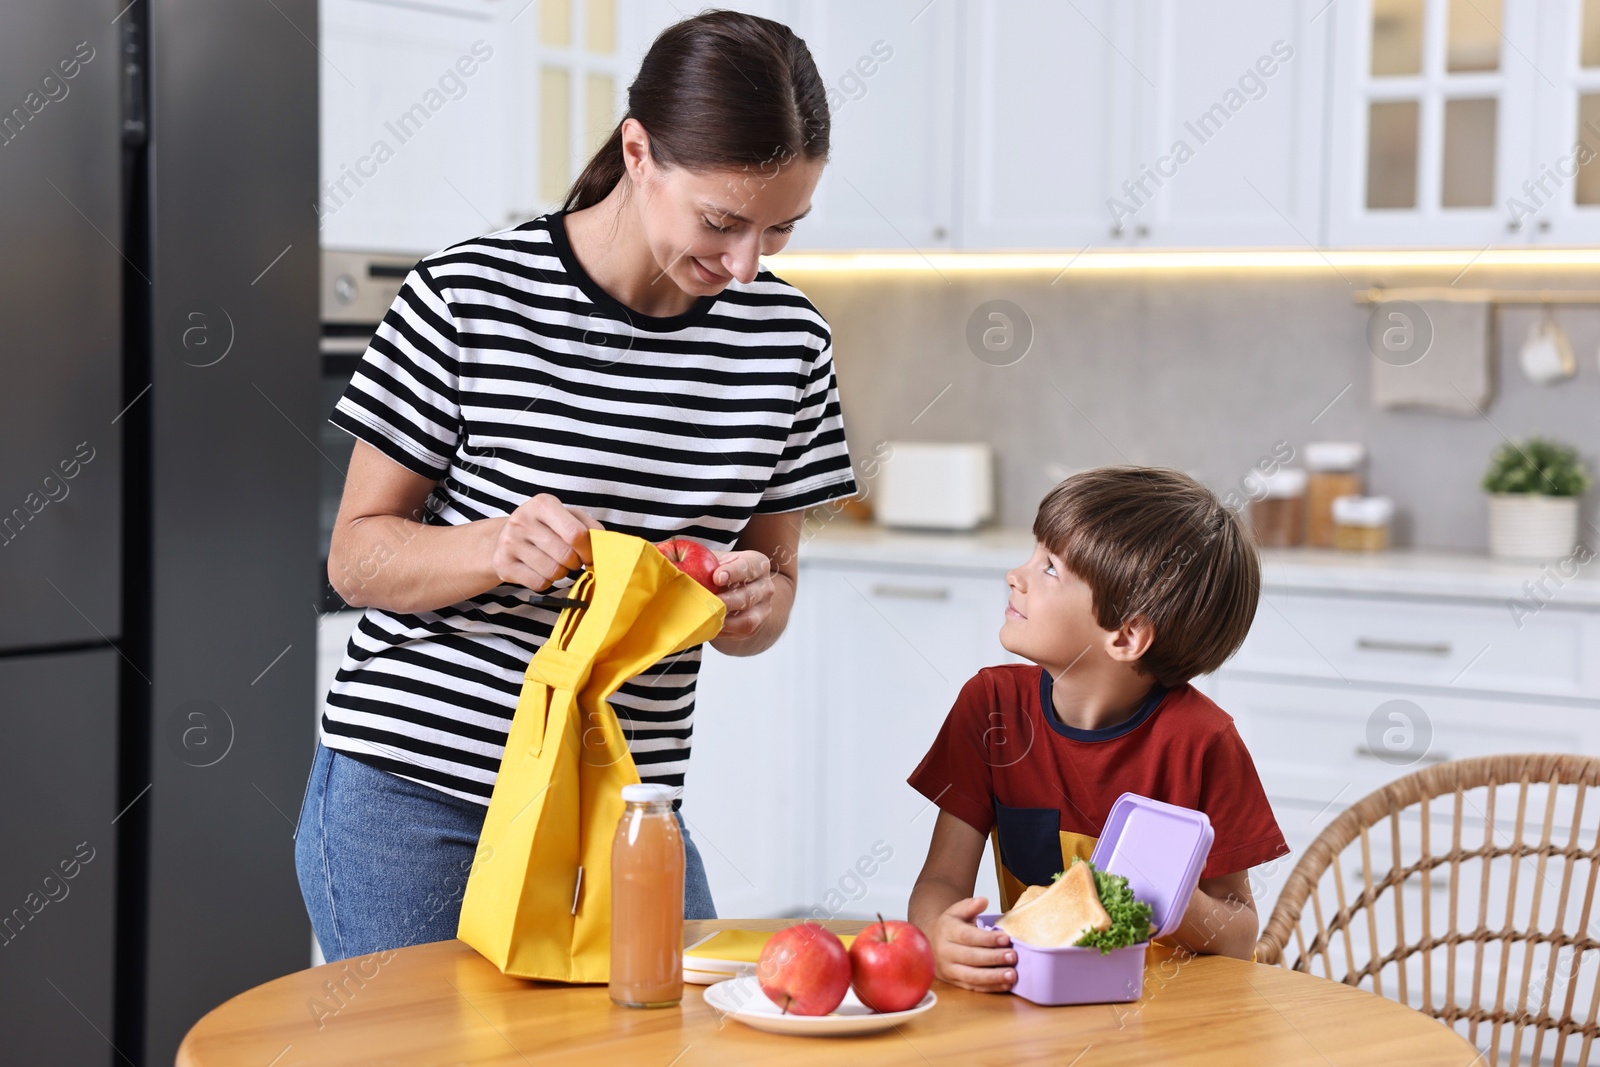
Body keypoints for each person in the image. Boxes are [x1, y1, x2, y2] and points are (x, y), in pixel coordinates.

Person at [295, 10, 858, 963]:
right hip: (421, 797)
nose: (746, 265)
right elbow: (356, 557)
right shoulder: (468, 294)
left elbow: (774, 587)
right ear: (638, 151)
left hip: (627, 804)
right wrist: (491, 546)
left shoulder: (790, 344)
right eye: (722, 221)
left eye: (781, 229)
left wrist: (754, 603)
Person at [905, 466, 1289, 991]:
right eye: (1033, 553)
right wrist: (936, 934)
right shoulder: (990, 707)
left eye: (1051, 569)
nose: (1016, 575)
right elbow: (942, 879)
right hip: (1030, 1009)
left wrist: (1165, 898)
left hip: (1168, 1018)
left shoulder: (1203, 742)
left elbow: (1240, 933)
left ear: (1126, 636)